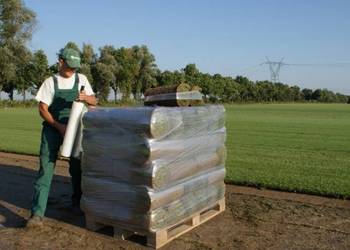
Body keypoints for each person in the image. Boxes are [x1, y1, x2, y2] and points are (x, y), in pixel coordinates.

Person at [26, 47, 97, 227]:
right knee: (46, 169)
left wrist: (86, 97)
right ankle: (37, 213)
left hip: (75, 130)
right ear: (61, 62)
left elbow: (94, 101)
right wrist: (59, 127)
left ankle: (77, 203)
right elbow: (42, 109)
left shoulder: (82, 79)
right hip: (53, 129)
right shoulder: (50, 82)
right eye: (70, 66)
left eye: (75, 67)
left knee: (77, 168)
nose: (73, 70)